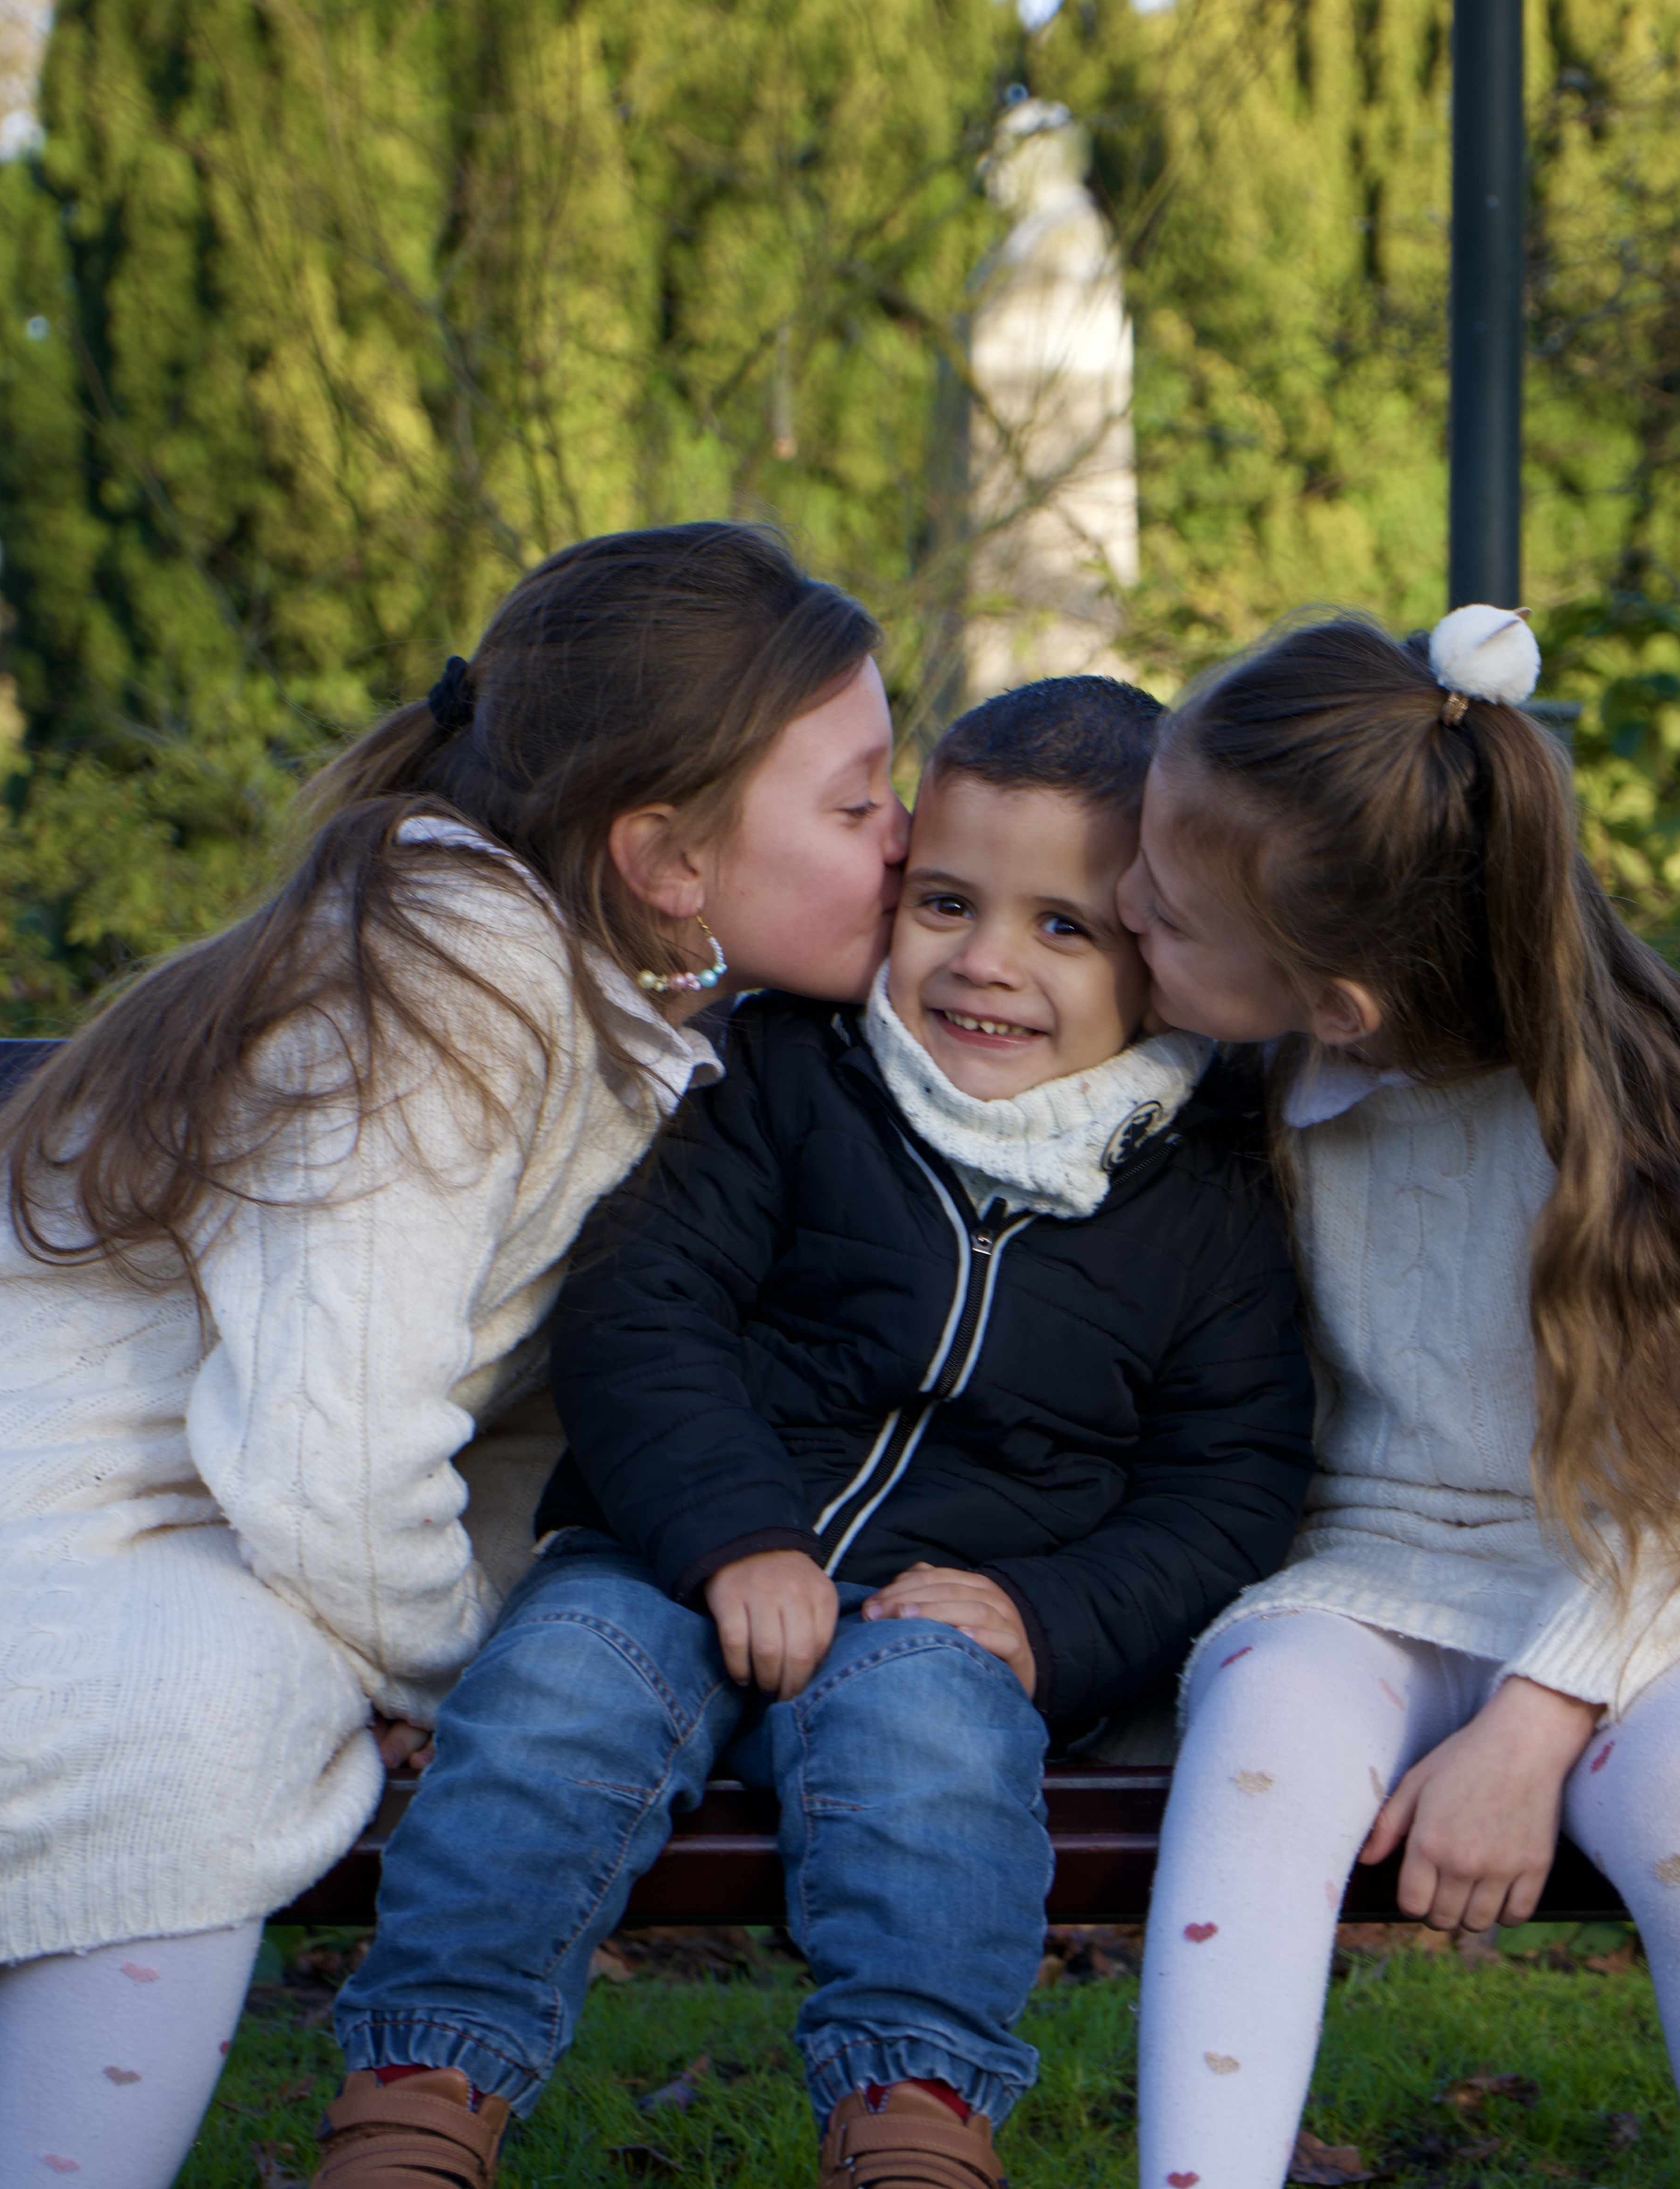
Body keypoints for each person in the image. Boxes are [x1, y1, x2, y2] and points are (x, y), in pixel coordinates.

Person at [0, 523, 914, 2189]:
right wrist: (449, 1673)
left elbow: (509, 1408)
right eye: (861, 799)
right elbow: (333, 1433)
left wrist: (436, 1656)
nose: (908, 835)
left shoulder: (617, 1003)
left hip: (198, 1511)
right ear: (667, 856)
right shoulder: (448, 973)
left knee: (215, 1718)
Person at [310, 677, 1319, 2189]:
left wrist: (1046, 1621)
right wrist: (733, 1535)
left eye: (1065, 927)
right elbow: (645, 1311)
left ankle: (916, 2118)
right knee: (553, 1708)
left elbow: (1228, 1483)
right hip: (675, 1551)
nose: (987, 964)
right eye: (948, 903)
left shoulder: (1205, 1183)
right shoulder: (785, 1072)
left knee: (929, 1756)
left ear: (1159, 958)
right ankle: (422, 2090)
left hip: (957, 1606)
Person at [1116, 609, 1680, 2189]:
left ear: (1344, 1001)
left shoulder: (1634, 1122)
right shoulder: (1241, 1085)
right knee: (1261, 1722)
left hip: (1649, 1592)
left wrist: (1538, 1727)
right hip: (1370, 1576)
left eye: (1172, 912)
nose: (1124, 911)